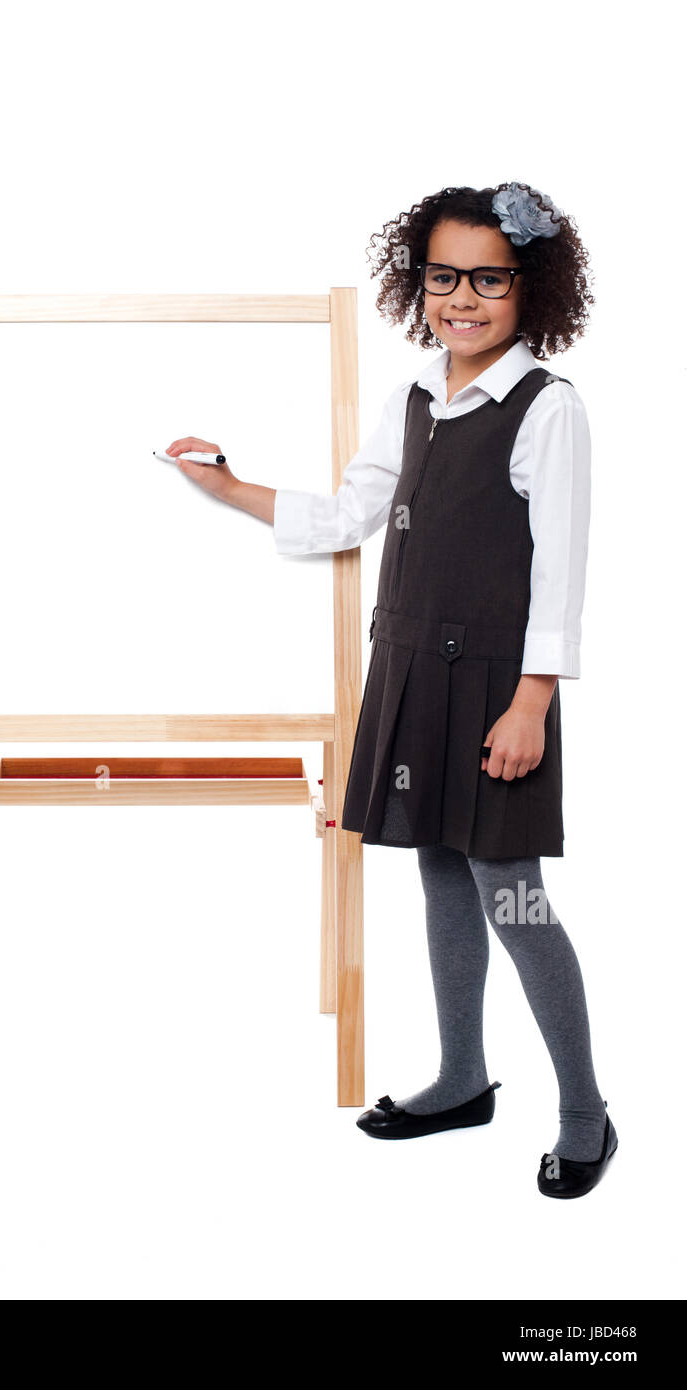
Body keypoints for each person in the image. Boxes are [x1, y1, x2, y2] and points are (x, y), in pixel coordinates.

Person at [164, 182, 617, 1199]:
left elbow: (560, 569)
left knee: (513, 896)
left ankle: (585, 1113)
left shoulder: (547, 409)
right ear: (421, 283)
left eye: (489, 279)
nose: (462, 298)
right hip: (410, 665)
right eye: (444, 276)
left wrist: (532, 703)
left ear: (530, 288)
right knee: (440, 873)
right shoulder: (413, 397)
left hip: (496, 684)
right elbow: (347, 512)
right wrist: (228, 485)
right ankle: (461, 1079)